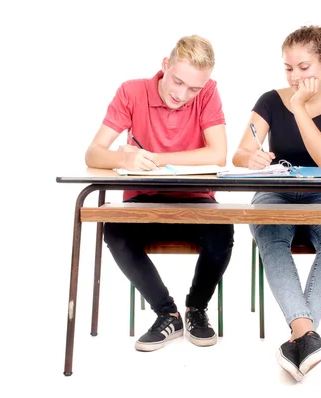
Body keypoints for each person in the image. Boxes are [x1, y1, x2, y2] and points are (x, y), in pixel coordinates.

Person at [85, 35, 234, 352]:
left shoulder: (208, 92)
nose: (182, 95)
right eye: (178, 81)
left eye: (194, 89)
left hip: (197, 200)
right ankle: (167, 313)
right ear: (165, 65)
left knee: (222, 232)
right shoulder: (132, 91)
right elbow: (93, 153)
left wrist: (157, 158)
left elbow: (218, 154)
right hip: (143, 199)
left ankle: (196, 308)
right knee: (115, 232)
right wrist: (121, 158)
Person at [232, 25, 321, 380]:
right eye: (288, 68)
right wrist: (250, 158)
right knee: (271, 241)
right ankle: (306, 336)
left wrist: (299, 106)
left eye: (303, 67)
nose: (295, 75)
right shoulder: (270, 100)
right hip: (275, 190)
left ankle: (298, 336)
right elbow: (240, 153)